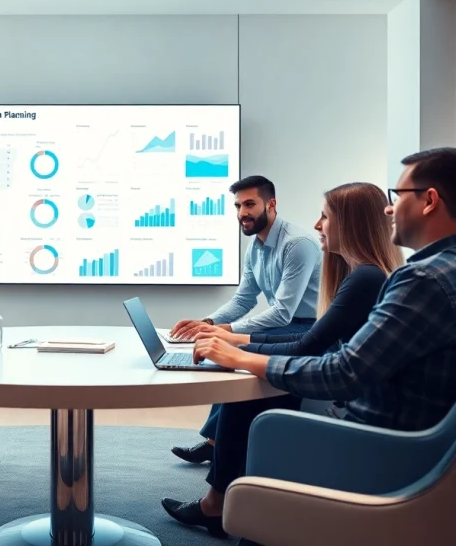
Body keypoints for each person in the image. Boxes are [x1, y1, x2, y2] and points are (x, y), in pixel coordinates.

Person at [166, 147, 456, 538]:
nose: (388, 210)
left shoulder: (425, 280)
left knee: (266, 418)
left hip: (386, 452)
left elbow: (344, 371)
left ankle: (230, 510)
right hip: (433, 448)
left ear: (429, 201)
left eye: (397, 196)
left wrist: (245, 357)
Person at [160, 182, 405, 537]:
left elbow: (305, 340)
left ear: (350, 224)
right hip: (324, 359)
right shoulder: (362, 275)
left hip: (339, 392)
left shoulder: (360, 275)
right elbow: (304, 335)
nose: (318, 225)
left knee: (243, 395)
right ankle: (221, 475)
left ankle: (215, 503)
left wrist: (238, 351)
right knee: (242, 373)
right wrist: (232, 337)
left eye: (325, 216)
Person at [168, 176, 322, 465]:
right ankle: (215, 442)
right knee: (226, 347)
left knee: (232, 352)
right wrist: (209, 322)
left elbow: (282, 311)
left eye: (249, 204)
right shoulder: (256, 247)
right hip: (285, 325)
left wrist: (227, 332)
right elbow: (244, 300)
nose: (242, 213)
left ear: (271, 204)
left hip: (307, 327)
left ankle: (220, 444)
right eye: (238, 205)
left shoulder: (298, 244)